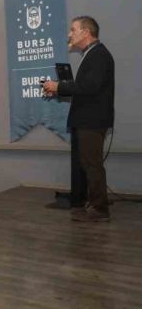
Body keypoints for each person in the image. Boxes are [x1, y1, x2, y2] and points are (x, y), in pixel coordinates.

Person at [43, 16, 115, 222]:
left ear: (86, 32)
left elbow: (89, 87)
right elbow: (85, 88)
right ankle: (93, 204)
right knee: (88, 163)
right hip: (87, 119)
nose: (69, 34)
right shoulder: (92, 54)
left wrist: (59, 86)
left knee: (92, 164)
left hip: (91, 120)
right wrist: (59, 89)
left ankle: (100, 209)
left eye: (73, 30)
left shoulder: (98, 55)